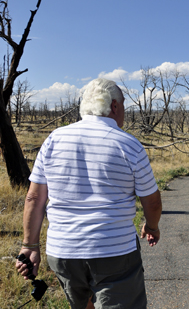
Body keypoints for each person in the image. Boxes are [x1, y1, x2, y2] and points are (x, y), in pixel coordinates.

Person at [16, 78, 162, 309]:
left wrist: (30, 247)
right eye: (123, 106)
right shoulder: (129, 145)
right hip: (114, 251)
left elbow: (34, 198)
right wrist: (152, 227)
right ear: (114, 106)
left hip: (63, 251)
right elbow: (152, 202)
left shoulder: (53, 139)